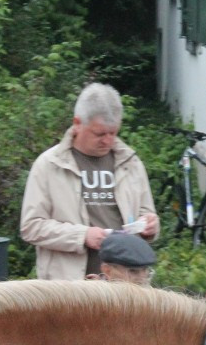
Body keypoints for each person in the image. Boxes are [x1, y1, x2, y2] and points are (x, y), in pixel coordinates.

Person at [20, 83, 159, 281]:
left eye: (113, 133)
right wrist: (82, 236)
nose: (108, 141)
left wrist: (150, 225)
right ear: (77, 123)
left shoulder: (131, 162)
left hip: (125, 286)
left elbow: (146, 213)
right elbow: (31, 227)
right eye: (100, 134)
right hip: (69, 287)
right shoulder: (49, 165)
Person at [92, 231, 157, 285]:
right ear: (107, 271)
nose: (142, 280)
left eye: (145, 270)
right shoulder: (91, 298)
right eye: (133, 271)